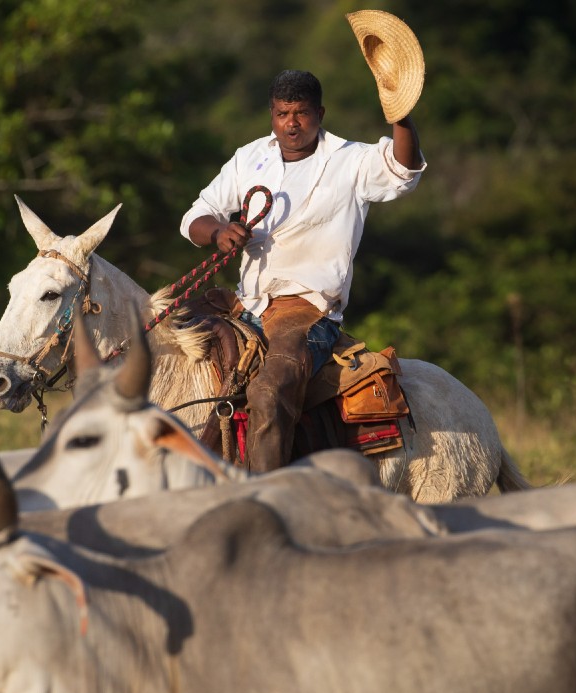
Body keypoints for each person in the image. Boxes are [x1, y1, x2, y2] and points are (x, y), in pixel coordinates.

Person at [179, 69, 424, 473]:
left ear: (320, 113)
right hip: (247, 304)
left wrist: (400, 113)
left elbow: (404, 170)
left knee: (270, 394)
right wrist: (219, 231)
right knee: (165, 334)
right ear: (271, 114)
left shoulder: (351, 160)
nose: (291, 123)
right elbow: (195, 216)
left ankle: (270, 498)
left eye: (302, 113)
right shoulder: (249, 157)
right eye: (282, 113)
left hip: (308, 312)